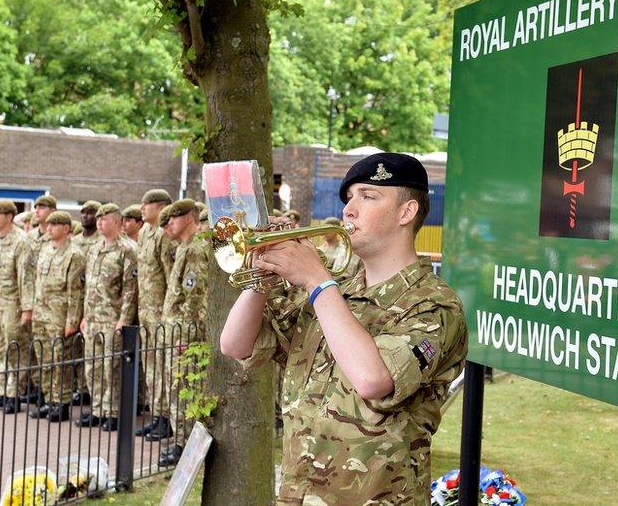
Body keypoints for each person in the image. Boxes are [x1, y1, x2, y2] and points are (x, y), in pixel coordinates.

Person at [220, 153, 467, 502]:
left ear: (406, 212)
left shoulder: (433, 305)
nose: (349, 209)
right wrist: (261, 274)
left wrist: (317, 280)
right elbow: (234, 345)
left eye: (367, 196)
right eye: (349, 198)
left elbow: (373, 380)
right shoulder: (336, 292)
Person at [157, 199, 210, 465]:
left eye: (173, 219)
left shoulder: (196, 249)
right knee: (176, 386)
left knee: (185, 386)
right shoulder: (185, 247)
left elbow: (194, 295)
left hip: (185, 332)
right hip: (175, 328)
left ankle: (186, 444)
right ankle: (180, 440)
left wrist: (187, 335)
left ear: (189, 218)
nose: (169, 224)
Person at [77, 203, 137, 432]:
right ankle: (97, 408)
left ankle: (112, 412)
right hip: (93, 318)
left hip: (113, 317)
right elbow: (88, 286)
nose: (100, 222)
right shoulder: (94, 248)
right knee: (92, 367)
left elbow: (131, 288)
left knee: (112, 367)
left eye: (105, 219)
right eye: (98, 219)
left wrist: (124, 318)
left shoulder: (127, 249)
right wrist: (84, 314)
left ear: (116, 221)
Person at [0, 200, 34, 414]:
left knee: (14, 349)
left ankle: (14, 394)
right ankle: (0, 392)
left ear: (9, 217)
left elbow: (26, 278)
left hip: (13, 304)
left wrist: (27, 308)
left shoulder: (21, 242)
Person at [30, 211, 86, 423]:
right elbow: (38, 284)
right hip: (42, 314)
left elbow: (76, 291)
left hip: (59, 315)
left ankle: (60, 403)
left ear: (66, 228)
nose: (50, 227)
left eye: (55, 224)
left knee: (59, 361)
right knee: (44, 359)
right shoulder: (45, 250)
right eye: (49, 224)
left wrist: (72, 320)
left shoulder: (74, 254)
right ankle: (48, 400)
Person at [134, 189, 175, 440]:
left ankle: (168, 418)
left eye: (146, 203)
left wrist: (167, 312)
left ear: (160, 207)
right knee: (151, 364)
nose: (142, 207)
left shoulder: (163, 235)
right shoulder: (144, 233)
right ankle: (157, 414)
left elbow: (170, 276)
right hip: (146, 310)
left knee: (163, 365)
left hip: (161, 311)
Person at [70, 200, 101, 407]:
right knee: (78, 352)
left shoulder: (100, 242)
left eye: (91, 213)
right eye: (83, 212)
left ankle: (91, 394)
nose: (86, 216)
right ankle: (81, 389)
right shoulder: (76, 241)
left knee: (92, 355)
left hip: (95, 303)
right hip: (76, 299)